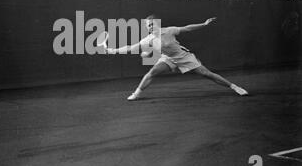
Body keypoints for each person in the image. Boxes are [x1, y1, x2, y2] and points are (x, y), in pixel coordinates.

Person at [105, 15, 249, 101]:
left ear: (157, 24)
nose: (150, 27)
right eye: (148, 25)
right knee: (151, 73)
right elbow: (130, 47)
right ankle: (136, 94)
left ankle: (235, 87)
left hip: (184, 56)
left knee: (207, 74)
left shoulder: (169, 30)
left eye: (152, 24)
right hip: (168, 59)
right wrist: (112, 50)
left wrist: (204, 24)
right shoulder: (147, 40)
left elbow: (188, 28)